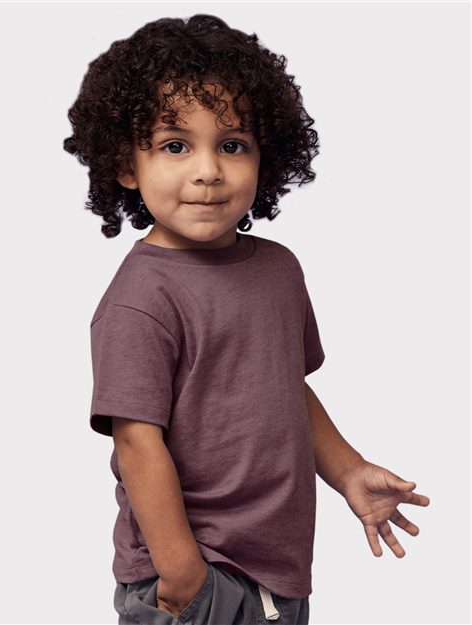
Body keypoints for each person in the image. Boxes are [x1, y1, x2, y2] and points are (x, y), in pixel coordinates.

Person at [63, 14, 431, 625]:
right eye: (175, 145)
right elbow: (136, 440)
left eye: (232, 145)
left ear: (266, 156)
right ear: (127, 165)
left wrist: (349, 472)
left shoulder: (279, 269)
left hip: (277, 572)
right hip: (191, 577)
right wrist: (184, 579)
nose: (208, 170)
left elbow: (284, 387)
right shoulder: (140, 300)